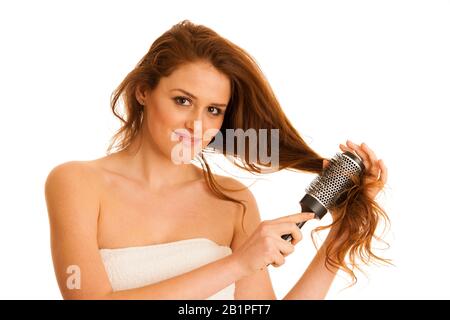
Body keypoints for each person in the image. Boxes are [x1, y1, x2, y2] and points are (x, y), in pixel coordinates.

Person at [45, 20, 389, 300]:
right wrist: (238, 264)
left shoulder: (233, 201)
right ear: (143, 91)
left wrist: (343, 233)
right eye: (182, 100)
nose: (196, 125)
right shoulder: (77, 184)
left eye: (213, 110)